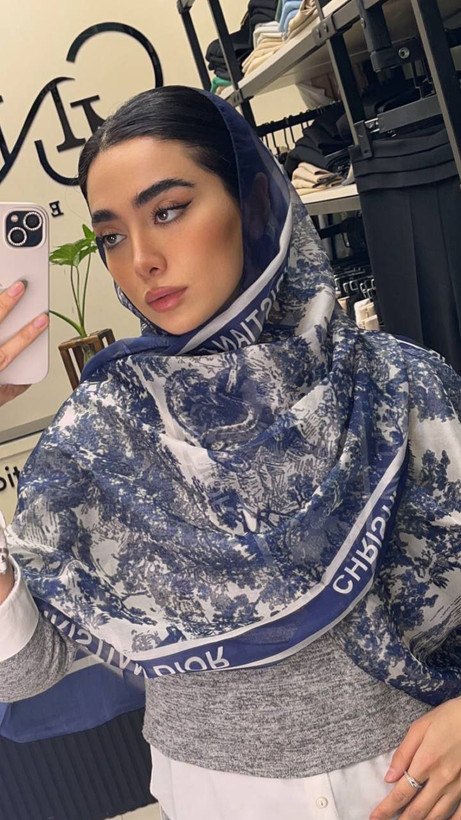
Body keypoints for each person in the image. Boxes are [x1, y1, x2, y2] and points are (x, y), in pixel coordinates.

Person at [0, 86, 460, 820]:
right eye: (112, 236)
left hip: (418, 782)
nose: (141, 260)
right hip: (219, 796)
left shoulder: (401, 387)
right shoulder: (100, 438)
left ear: (252, 203)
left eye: (168, 210)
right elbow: (23, 673)